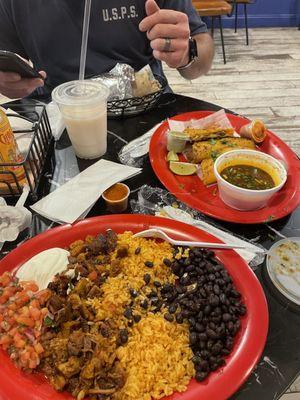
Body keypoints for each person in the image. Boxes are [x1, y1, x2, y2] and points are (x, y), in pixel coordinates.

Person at [0, 0, 214, 100]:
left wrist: (187, 55)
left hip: (147, 110)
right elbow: (7, 64)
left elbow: (202, 57)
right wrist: (8, 83)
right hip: (56, 117)